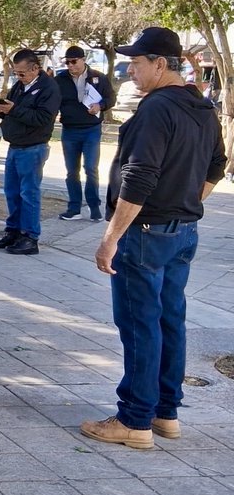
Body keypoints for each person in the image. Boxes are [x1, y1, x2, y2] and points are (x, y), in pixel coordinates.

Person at [83, 27, 225, 449]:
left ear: (160, 64)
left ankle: (135, 419)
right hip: (182, 231)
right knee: (168, 321)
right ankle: (165, 412)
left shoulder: (158, 108)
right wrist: (185, 201)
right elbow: (217, 165)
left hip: (147, 233)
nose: (131, 70)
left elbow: (140, 175)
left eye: (137, 62)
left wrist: (111, 236)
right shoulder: (201, 107)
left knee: (141, 324)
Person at [0, 48, 61, 256]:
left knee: (29, 193)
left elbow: (42, 118)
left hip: (33, 146)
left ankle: (29, 236)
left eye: (22, 73)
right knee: (11, 191)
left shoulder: (49, 88)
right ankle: (13, 230)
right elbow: (14, 111)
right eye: (16, 73)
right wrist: (3, 111)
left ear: (35, 68)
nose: (19, 77)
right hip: (15, 144)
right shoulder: (19, 86)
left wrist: (13, 110)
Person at [55, 45, 114, 222]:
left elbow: (111, 98)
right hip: (70, 129)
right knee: (72, 171)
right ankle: (74, 208)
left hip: (91, 129)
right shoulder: (60, 79)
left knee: (90, 168)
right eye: (67, 63)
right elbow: (53, 99)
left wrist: (100, 105)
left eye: (74, 62)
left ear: (83, 60)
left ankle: (94, 206)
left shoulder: (98, 77)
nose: (70, 66)